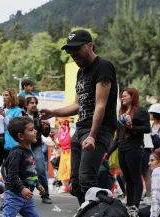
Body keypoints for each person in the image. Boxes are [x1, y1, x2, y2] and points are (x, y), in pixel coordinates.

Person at [40, 29, 118, 205]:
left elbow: (100, 105)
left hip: (98, 130)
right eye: (69, 50)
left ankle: (100, 216)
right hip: (80, 129)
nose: (73, 54)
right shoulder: (81, 72)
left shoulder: (103, 66)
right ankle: (88, 214)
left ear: (90, 46)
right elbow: (77, 105)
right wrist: (53, 112)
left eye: (77, 49)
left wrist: (92, 135)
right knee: (75, 184)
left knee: (87, 180)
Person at [104, 88, 150, 217]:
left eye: (124, 96)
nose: (122, 98)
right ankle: (129, 204)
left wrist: (132, 128)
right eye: (121, 96)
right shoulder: (122, 113)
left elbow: (147, 128)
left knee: (135, 177)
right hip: (122, 148)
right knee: (127, 178)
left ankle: (135, 206)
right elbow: (118, 137)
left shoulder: (141, 111)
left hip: (135, 148)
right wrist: (107, 153)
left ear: (132, 97)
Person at [24, 95, 52, 204]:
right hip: (24, 147)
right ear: (26, 105)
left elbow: (45, 134)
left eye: (36, 103)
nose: (34, 105)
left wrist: (47, 126)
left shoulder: (40, 116)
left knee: (40, 170)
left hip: (37, 146)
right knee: (24, 171)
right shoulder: (21, 115)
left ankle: (45, 195)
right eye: (32, 103)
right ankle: (25, 195)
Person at [53, 119, 72, 193]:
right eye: (61, 125)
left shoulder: (71, 131)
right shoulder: (60, 134)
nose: (62, 126)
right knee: (63, 169)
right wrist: (53, 139)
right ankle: (65, 187)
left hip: (71, 152)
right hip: (64, 154)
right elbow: (58, 145)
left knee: (71, 169)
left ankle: (73, 186)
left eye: (64, 125)